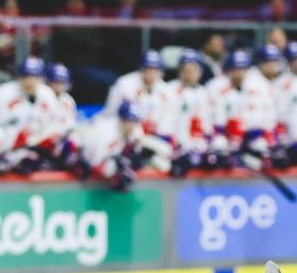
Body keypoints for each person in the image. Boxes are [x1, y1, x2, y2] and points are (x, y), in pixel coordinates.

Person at [208, 49, 280, 170]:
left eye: (242, 69)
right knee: (218, 149)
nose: (239, 73)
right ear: (229, 70)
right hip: (226, 136)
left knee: (262, 150)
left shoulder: (257, 89)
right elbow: (215, 120)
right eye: (236, 69)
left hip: (249, 137)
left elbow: (264, 119)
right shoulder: (217, 89)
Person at [0, 55, 61, 175]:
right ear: (20, 76)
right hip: (6, 149)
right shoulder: (2, 93)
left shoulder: (48, 95)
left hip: (36, 147)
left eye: (34, 76)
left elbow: (54, 126)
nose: (30, 81)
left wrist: (36, 139)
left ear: (41, 78)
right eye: (26, 76)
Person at [80, 99, 171, 192]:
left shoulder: (135, 130)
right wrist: (117, 171)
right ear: (122, 119)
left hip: (111, 161)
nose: (135, 125)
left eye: (137, 121)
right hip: (89, 172)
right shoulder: (104, 133)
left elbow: (159, 152)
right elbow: (94, 163)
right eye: (131, 121)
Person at [165, 49, 216, 177]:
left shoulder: (205, 93)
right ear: (180, 71)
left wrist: (206, 145)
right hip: (175, 146)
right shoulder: (169, 90)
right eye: (186, 69)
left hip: (199, 145)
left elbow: (208, 123)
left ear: (200, 71)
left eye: (193, 69)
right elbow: (167, 123)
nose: (189, 73)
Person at [103, 49, 174, 139]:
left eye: (155, 69)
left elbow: (168, 119)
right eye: (148, 69)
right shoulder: (125, 84)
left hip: (153, 136)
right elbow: (111, 113)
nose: (152, 73)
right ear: (141, 69)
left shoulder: (165, 90)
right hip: (123, 134)